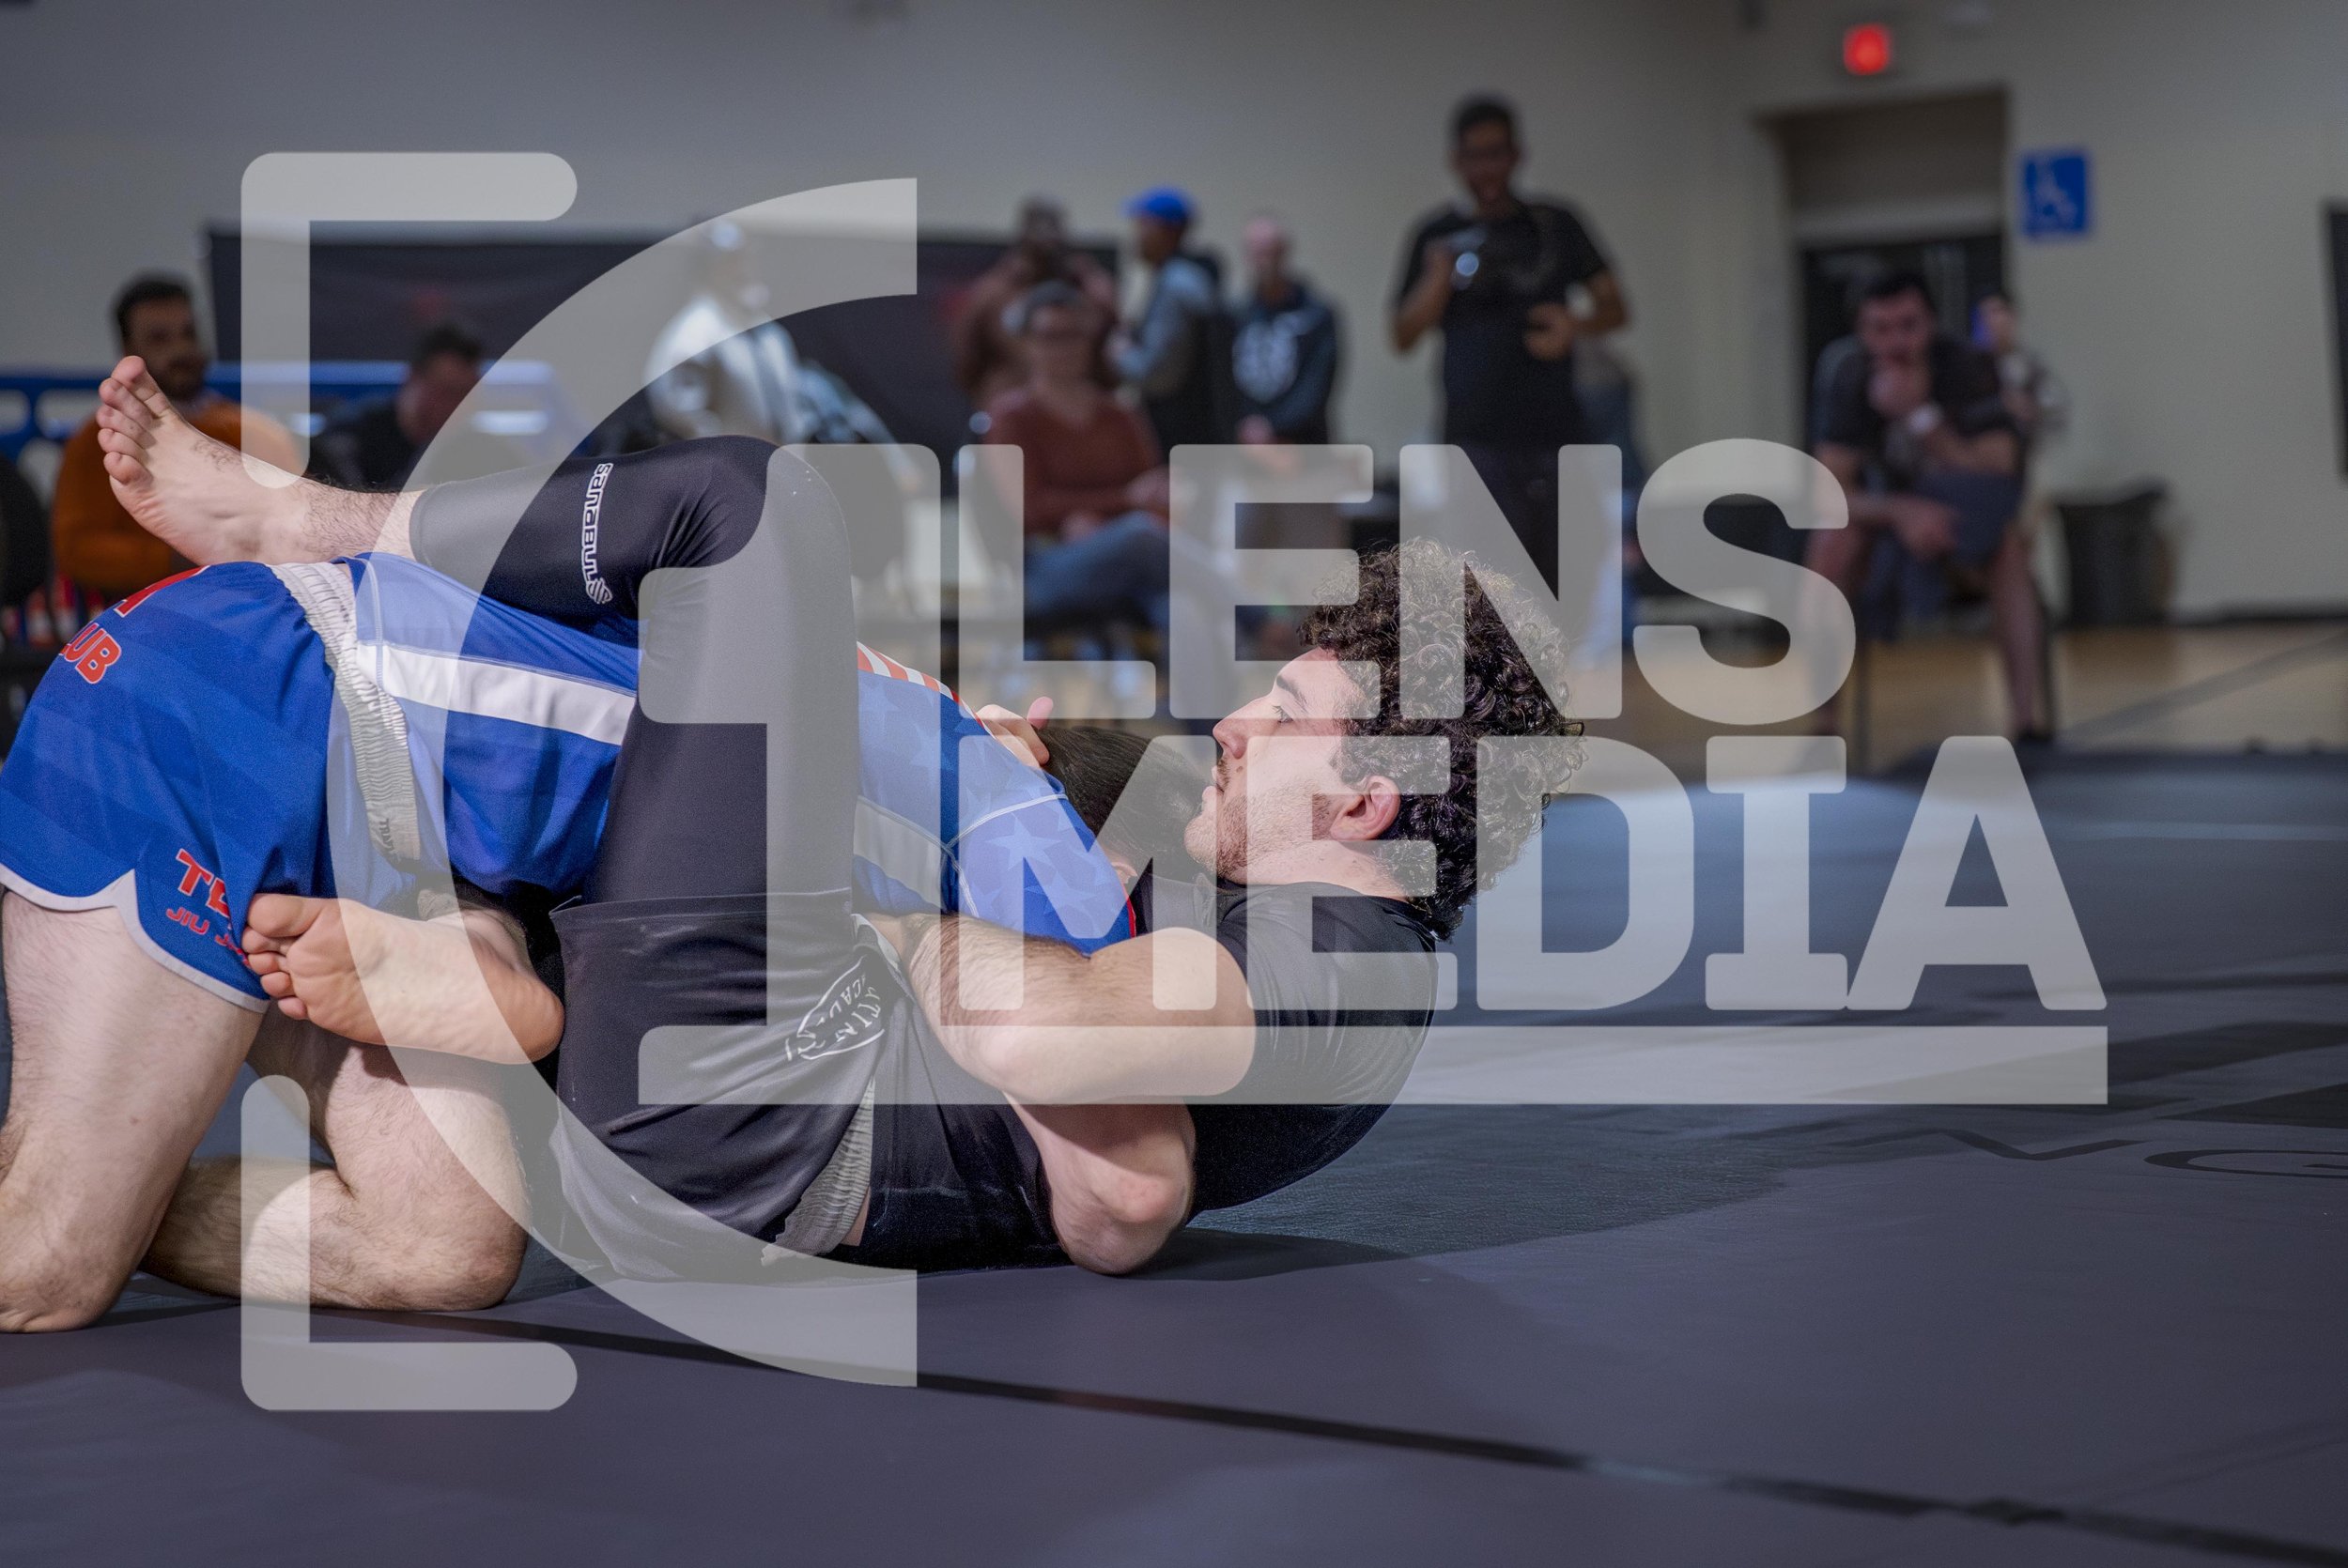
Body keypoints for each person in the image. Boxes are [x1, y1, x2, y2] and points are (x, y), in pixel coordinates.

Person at [0, 356, 1576, 1324]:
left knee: (434, 1251)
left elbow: (1125, 1168)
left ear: (1364, 803)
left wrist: (895, 908)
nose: (1231, 723)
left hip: (467, 839)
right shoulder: (1161, 841)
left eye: (1280, 715)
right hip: (269, 693)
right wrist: (1000, 779)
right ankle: (313, 576)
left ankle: (311, 553)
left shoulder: (1332, 953)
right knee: (65, 1264)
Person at [1391, 95, 1628, 592]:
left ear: (1517, 155)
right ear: (1456, 161)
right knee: (1487, 584)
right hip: (1474, 436)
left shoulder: (1554, 225)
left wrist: (1574, 325)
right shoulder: (1437, 235)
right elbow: (1402, 335)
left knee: (1561, 579)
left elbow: (1616, 307)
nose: (1487, 168)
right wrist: (1438, 278)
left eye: (1496, 153)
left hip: (1553, 430)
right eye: (1475, 156)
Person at [1810, 271, 2045, 740]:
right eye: (1880, 329)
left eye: (1908, 326)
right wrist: (1903, 512)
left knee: (2009, 547)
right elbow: (1828, 492)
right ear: (1861, 331)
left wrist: (1919, 417)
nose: (1896, 342)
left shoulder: (1966, 366)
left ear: (1932, 324)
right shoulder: (1847, 374)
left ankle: (2026, 720)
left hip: (1961, 517)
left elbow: (1999, 463)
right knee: (1831, 543)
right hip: (1887, 521)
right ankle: (1824, 723)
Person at [50, 274, 297, 603]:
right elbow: (77, 549)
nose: (180, 350)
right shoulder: (99, 440)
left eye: (188, 334)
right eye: (159, 339)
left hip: (254, 606)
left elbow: (296, 526)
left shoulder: (257, 432)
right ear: (128, 351)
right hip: (148, 613)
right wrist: (183, 558)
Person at [982, 281, 1174, 639]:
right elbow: (1029, 508)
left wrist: (1102, 526)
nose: (1063, 348)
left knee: (1183, 607)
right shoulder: (1011, 418)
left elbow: (1151, 493)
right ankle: (1262, 618)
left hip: (1127, 559)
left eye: (1072, 335)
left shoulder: (1120, 415)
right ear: (1027, 343)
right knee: (1140, 534)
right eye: (1049, 336)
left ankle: (1216, 672)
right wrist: (1122, 504)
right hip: (1047, 563)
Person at [952, 197, 1118, 416]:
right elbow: (968, 358)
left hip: (1076, 410)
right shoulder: (995, 292)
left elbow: (1111, 355)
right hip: (1010, 404)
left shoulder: (1090, 290)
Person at [311, 322, 490, 489]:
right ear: (413, 377)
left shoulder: (476, 451)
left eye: (465, 393)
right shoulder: (349, 436)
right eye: (445, 390)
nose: (455, 404)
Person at [1113, 187, 1227, 453]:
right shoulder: (1186, 277)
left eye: (1143, 225)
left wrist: (1119, 353)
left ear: (1167, 231)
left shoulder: (1176, 286)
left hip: (1180, 433)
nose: (1136, 235)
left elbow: (1157, 375)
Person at [1230, 214, 1341, 447]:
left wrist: (1274, 427)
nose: (1263, 262)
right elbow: (1227, 382)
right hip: (1245, 445)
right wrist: (1244, 426)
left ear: (1285, 253)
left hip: (1302, 443)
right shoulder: (1236, 315)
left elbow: (1316, 385)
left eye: (1270, 252)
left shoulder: (1316, 316)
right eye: (1256, 253)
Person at [1971, 291, 2067, 453]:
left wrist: (2032, 408)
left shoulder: (2030, 364)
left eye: (1998, 313)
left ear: (2011, 318)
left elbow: (2055, 407)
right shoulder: (1970, 366)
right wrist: (2003, 404)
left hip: (2023, 451)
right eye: (1985, 316)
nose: (1993, 322)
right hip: (1978, 453)